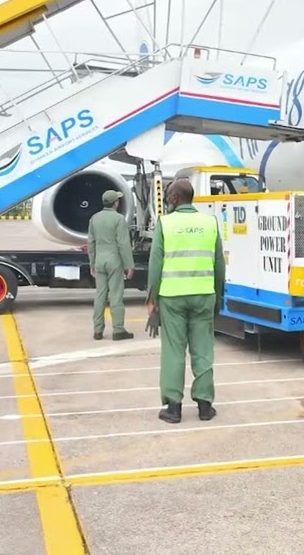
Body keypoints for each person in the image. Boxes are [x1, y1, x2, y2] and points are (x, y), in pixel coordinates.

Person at [145, 178, 226, 424]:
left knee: (173, 351)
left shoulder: (165, 223)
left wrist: (152, 298)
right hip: (203, 294)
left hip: (172, 296)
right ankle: (204, 406)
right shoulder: (209, 223)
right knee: (203, 350)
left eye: (169, 195)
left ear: (175, 199)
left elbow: (155, 263)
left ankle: (174, 408)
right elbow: (219, 262)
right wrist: (218, 295)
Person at [88, 189, 135, 341]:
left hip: (100, 260)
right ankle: (118, 330)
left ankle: (97, 331)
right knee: (116, 295)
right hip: (114, 260)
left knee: (100, 295)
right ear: (115, 203)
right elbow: (123, 244)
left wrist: (92, 263)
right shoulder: (119, 219)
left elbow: (91, 243)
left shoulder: (94, 218)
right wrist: (129, 265)